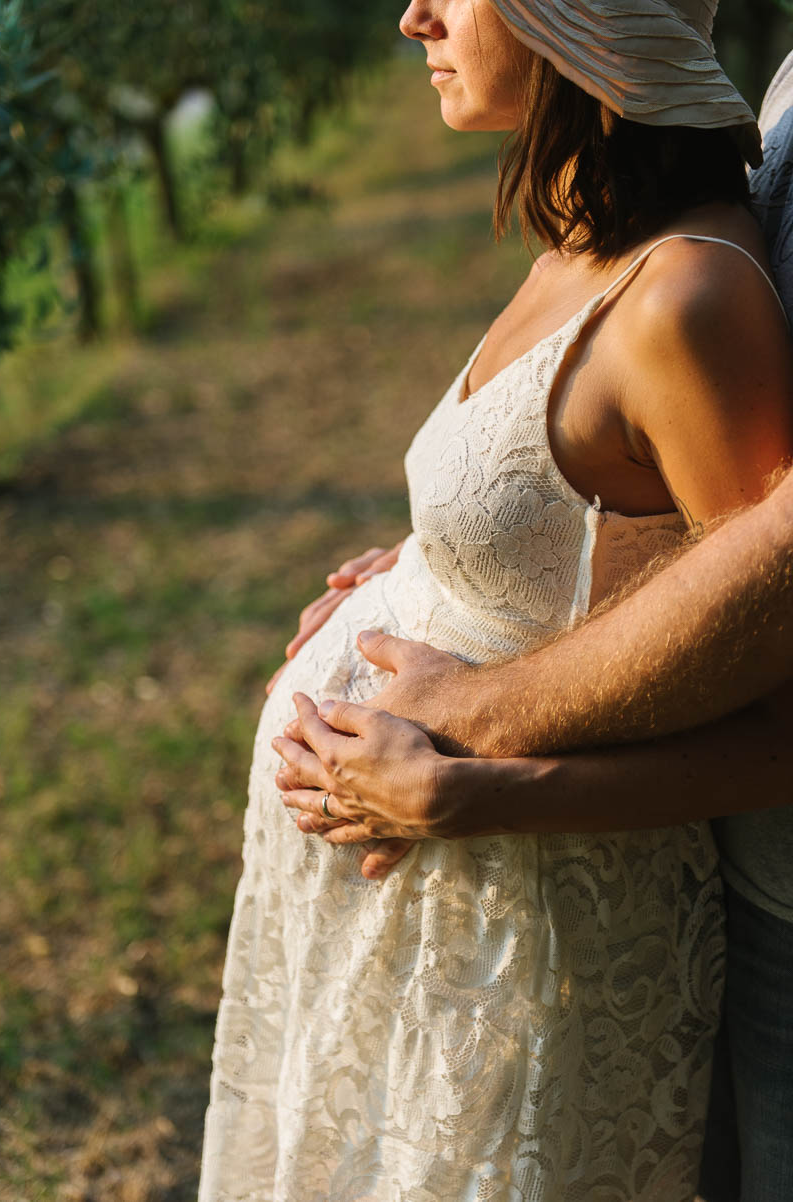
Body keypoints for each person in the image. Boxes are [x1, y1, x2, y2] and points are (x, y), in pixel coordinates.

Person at [200, 4, 793, 1199]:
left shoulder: (686, 297)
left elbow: (779, 702)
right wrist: (429, 571)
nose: (412, 12)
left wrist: (481, 791)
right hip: (429, 950)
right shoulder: (580, 249)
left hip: (530, 956)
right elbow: (614, 543)